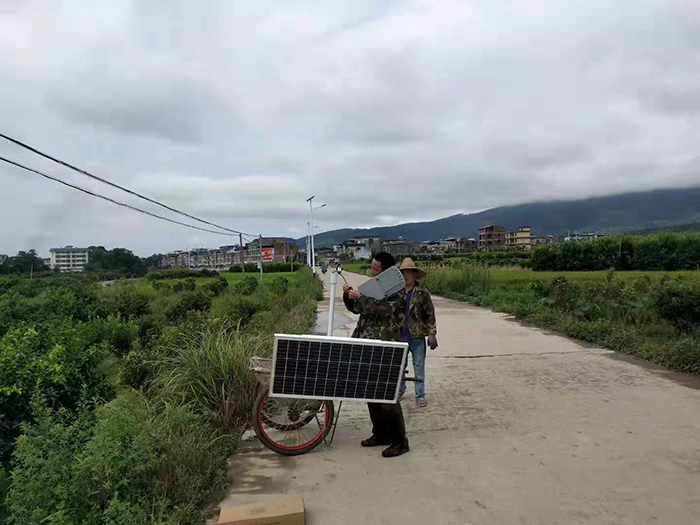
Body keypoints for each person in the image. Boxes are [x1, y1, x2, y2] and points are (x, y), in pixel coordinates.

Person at [342, 252, 409, 458]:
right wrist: (349, 295)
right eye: (372, 267)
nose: (372, 271)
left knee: (387, 396)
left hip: (386, 348)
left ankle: (400, 441)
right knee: (370, 393)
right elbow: (357, 309)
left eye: (376, 269)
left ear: (387, 272)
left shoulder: (397, 292)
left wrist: (361, 298)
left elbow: (382, 309)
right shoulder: (374, 287)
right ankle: (380, 433)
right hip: (367, 346)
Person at [397, 257, 437, 407]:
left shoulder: (422, 293)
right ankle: (400, 389)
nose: (406, 276)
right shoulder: (396, 293)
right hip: (399, 335)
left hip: (417, 336)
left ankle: (420, 394)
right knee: (400, 365)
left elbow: (430, 313)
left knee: (419, 365)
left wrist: (432, 333)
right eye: (403, 273)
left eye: (409, 273)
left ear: (414, 275)